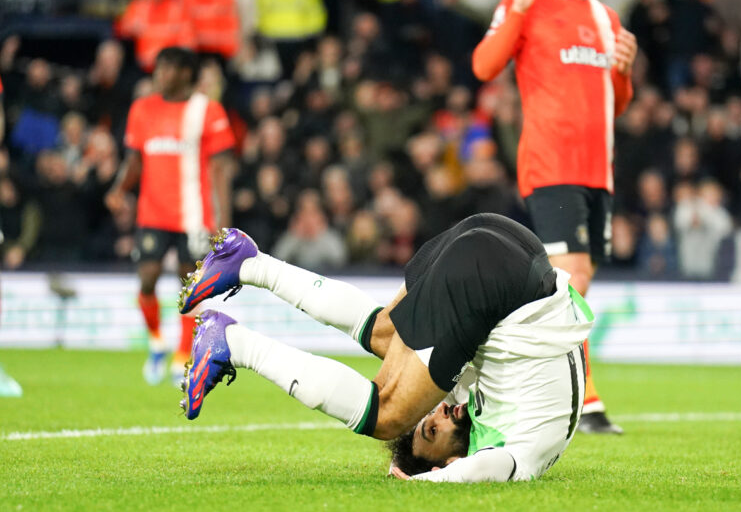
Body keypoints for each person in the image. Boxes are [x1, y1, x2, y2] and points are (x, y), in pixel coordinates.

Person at [178, 213, 593, 482]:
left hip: (500, 235)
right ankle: (233, 343)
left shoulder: (494, 405)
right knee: (389, 415)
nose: (439, 412)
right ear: (452, 461)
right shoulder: (513, 450)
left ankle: (250, 263)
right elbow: (488, 468)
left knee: (385, 333)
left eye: (430, 422)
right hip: (498, 275)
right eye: (433, 429)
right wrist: (427, 481)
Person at [471, 0, 637, 434]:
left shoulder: (604, 18)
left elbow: (617, 103)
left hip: (598, 172)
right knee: (574, 277)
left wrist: (624, 74)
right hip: (551, 162)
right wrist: (517, 8)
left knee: (571, 282)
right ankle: (581, 398)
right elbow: (484, 65)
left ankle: (500, 352)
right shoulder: (530, 1)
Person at [105, 48, 235, 386]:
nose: (159, 74)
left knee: (188, 286)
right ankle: (157, 343)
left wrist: (223, 221)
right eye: (158, 67)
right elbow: (134, 160)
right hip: (153, 212)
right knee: (147, 278)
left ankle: (181, 353)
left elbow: (221, 169)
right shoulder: (142, 108)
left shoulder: (208, 110)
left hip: (194, 216)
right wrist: (119, 188)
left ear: (185, 73)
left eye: (167, 68)